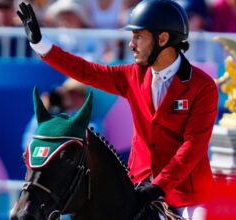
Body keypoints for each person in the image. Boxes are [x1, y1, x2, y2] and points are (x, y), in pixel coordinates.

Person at [17, 0, 219, 219]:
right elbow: (86, 71)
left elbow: (193, 147)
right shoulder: (132, 75)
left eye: (139, 36)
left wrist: (159, 186)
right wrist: (41, 44)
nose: (132, 44)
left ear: (163, 39)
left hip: (186, 195)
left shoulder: (203, 86)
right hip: (136, 184)